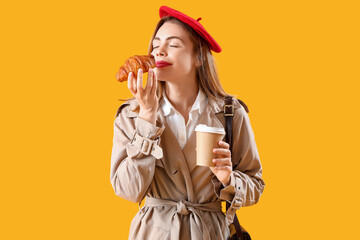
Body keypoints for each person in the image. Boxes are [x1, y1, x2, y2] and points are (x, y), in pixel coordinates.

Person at [110, 5, 265, 240]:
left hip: (209, 233)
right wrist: (147, 117)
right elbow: (128, 191)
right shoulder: (130, 115)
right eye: (155, 45)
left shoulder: (230, 113)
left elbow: (256, 184)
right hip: (153, 233)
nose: (159, 52)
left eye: (172, 45)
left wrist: (227, 178)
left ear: (199, 57)